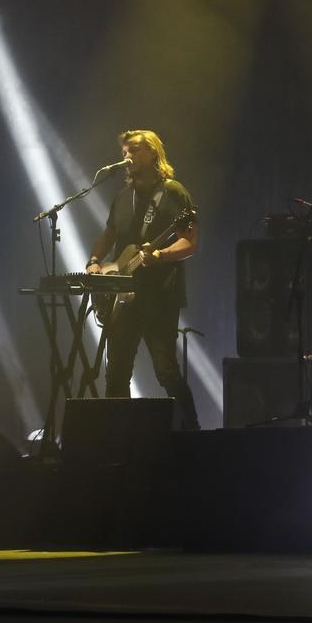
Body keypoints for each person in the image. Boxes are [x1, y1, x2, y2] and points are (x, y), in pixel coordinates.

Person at [87, 128, 201, 429]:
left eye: (135, 149)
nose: (128, 155)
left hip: (159, 297)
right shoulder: (123, 197)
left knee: (166, 371)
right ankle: (119, 438)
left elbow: (189, 242)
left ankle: (193, 431)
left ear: (153, 153)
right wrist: (95, 262)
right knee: (116, 373)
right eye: (125, 150)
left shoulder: (173, 192)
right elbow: (109, 235)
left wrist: (160, 256)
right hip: (123, 298)